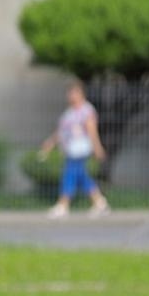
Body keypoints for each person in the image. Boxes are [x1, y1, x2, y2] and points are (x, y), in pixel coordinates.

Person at [38, 81, 110, 218]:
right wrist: (50, 142)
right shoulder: (69, 113)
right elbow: (61, 131)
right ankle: (100, 202)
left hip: (80, 148)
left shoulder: (86, 110)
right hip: (70, 149)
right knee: (81, 176)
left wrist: (97, 147)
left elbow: (92, 131)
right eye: (70, 93)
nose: (71, 96)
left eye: (74, 92)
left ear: (81, 94)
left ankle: (63, 204)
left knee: (70, 174)